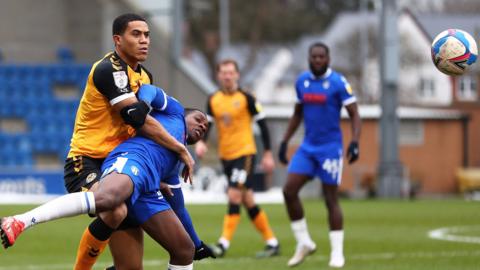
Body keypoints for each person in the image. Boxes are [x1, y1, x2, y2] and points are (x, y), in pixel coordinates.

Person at [0, 85, 209, 270]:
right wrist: (142, 105)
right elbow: (149, 90)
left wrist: (198, 243)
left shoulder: (180, 162)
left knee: (183, 249)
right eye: (198, 119)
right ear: (186, 114)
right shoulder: (175, 111)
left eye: (205, 128)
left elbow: (178, 207)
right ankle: (20, 221)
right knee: (109, 199)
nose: (201, 126)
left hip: (147, 188)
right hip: (132, 160)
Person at [64, 13, 195, 270]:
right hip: (87, 161)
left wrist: (152, 175)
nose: (144, 40)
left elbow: (142, 135)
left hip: (124, 166)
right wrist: (180, 148)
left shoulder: (145, 77)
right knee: (115, 210)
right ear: (117, 40)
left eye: (147, 35)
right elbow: (139, 120)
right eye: (136, 34)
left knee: (134, 267)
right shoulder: (107, 69)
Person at [278, 42, 361, 268]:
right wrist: (285, 141)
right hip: (307, 148)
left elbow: (354, 114)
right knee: (289, 190)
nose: (317, 60)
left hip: (330, 149)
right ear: (308, 58)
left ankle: (337, 253)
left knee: (330, 199)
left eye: (321, 57)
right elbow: (297, 115)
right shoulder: (302, 82)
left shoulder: (338, 83)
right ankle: (304, 242)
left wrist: (354, 141)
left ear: (328, 58)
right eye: (313, 57)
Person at [195, 59, 279, 258]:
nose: (227, 76)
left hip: (245, 153)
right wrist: (202, 142)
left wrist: (267, 153)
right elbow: (209, 124)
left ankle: (223, 244)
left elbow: (264, 124)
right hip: (226, 156)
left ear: (237, 75)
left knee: (234, 194)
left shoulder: (247, 98)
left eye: (231, 72)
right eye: (224, 72)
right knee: (247, 200)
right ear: (218, 75)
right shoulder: (213, 99)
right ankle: (272, 243)